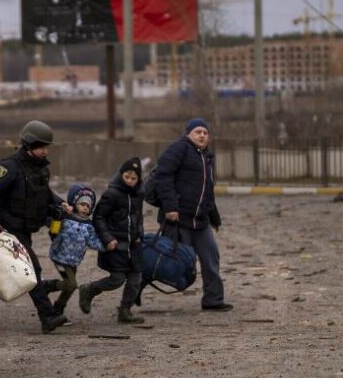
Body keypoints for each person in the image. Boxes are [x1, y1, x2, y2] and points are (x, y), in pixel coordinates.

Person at [0, 120, 70, 333]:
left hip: (25, 228)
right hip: (8, 230)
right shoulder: (10, 167)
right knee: (32, 269)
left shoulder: (40, 169)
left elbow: (45, 194)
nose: (45, 151)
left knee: (4, 272)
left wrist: (60, 203)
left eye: (46, 147)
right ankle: (48, 316)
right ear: (28, 145)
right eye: (41, 146)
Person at [154, 118, 232, 312]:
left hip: (201, 222)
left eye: (205, 133)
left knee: (211, 258)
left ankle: (213, 300)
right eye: (198, 132)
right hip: (179, 219)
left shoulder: (207, 158)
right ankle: (134, 290)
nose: (202, 135)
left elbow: (208, 191)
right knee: (169, 261)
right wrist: (170, 207)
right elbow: (163, 176)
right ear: (188, 133)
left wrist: (215, 218)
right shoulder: (179, 149)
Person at [78, 158, 146, 324]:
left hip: (133, 246)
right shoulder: (112, 194)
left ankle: (125, 311)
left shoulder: (138, 195)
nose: (130, 181)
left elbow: (138, 217)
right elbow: (99, 217)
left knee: (135, 280)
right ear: (121, 175)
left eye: (134, 178)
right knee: (117, 279)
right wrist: (108, 238)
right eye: (127, 176)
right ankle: (89, 289)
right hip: (115, 245)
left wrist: (139, 234)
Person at [48, 184, 104, 320]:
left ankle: (58, 309)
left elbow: (92, 241)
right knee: (71, 285)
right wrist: (56, 220)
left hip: (74, 261)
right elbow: (53, 233)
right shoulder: (65, 218)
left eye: (88, 205)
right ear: (74, 203)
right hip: (60, 258)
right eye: (82, 204)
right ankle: (46, 286)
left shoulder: (89, 225)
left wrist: (106, 246)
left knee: (70, 287)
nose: (85, 207)